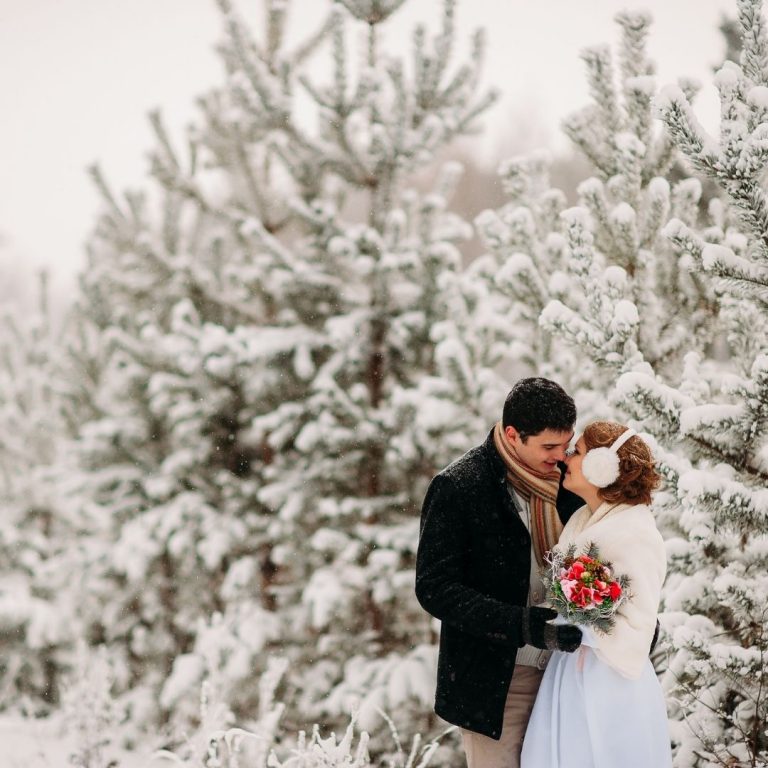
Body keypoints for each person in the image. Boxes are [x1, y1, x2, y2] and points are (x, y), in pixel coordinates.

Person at [415, 377, 585, 768]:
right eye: (548, 446)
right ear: (512, 435)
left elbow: (604, 559)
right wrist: (521, 625)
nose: (561, 456)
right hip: (498, 684)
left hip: (568, 674)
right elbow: (434, 588)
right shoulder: (459, 486)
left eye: (566, 443)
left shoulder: (571, 484)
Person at [521, 421, 672, 767]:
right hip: (569, 669)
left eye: (578, 452)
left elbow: (639, 623)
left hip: (610, 680)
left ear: (603, 466)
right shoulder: (581, 518)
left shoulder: (635, 531)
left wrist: (586, 621)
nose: (566, 459)